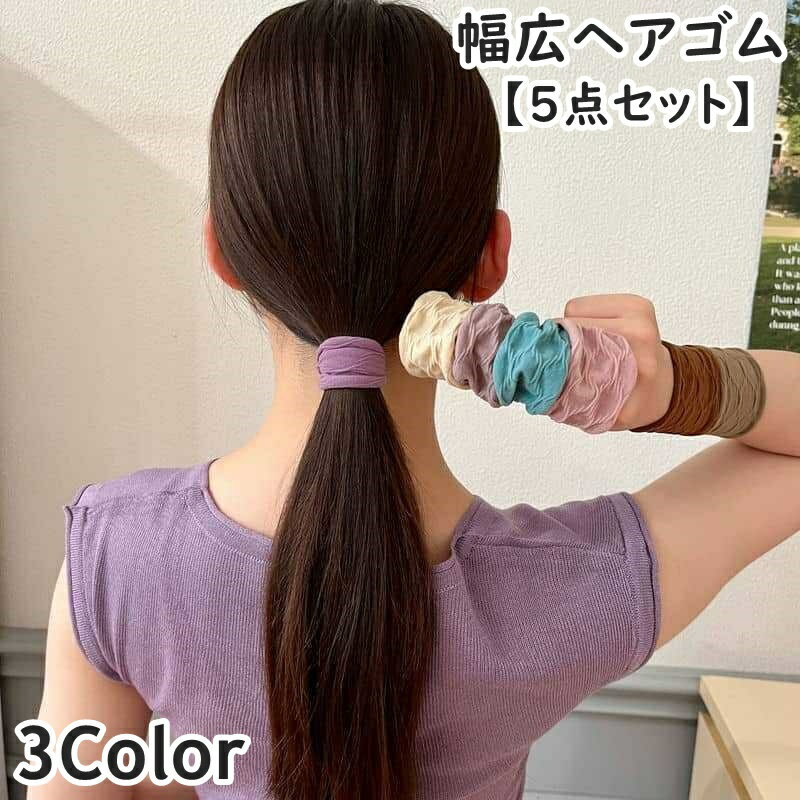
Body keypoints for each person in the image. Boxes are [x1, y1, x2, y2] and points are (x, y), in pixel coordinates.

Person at [30, 2, 800, 799]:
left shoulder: (115, 555)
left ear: (222, 251)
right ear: (491, 258)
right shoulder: (577, 585)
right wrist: (674, 386)